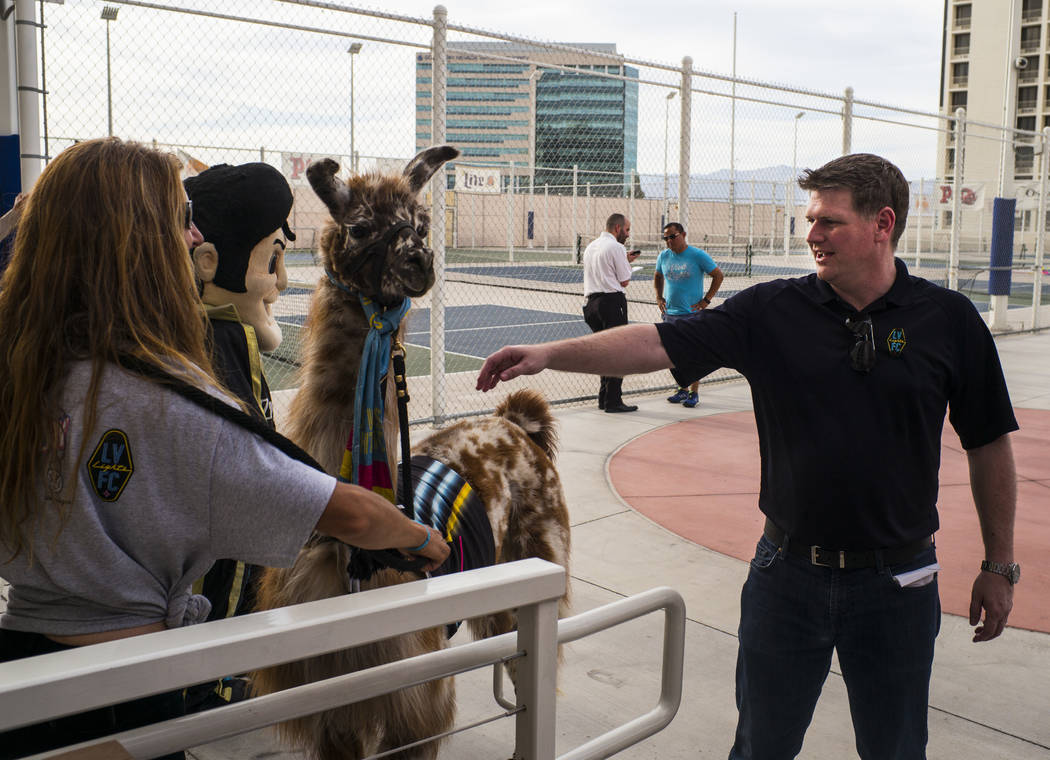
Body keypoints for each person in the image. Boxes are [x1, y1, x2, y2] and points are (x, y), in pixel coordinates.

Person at [477, 153, 1018, 760]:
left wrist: (1000, 565)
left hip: (899, 583)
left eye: (829, 222)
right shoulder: (771, 312)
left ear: (882, 223)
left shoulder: (948, 321)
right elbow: (656, 342)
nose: (811, 235)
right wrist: (551, 353)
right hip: (786, 579)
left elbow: (989, 442)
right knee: (760, 746)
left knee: (895, 749)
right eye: (809, 219)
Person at [0, 138, 449, 757]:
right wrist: (423, 541)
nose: (192, 238)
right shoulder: (173, 403)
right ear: (140, 245)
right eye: (180, 220)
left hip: (18, 673)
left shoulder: (22, 372)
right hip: (122, 690)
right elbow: (343, 512)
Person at [182, 162, 297, 711]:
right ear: (208, 262)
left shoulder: (197, 333)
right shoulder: (225, 338)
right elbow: (251, 463)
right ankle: (216, 679)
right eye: (272, 258)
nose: (284, 280)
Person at [654, 222, 724, 408]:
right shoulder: (664, 256)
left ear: (683, 234)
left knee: (693, 354)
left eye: (672, 236)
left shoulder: (697, 255)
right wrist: (659, 297)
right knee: (673, 355)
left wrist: (706, 300)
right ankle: (682, 389)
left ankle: (694, 392)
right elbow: (658, 276)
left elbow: (718, 275)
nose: (669, 241)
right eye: (666, 238)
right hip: (670, 315)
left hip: (691, 315)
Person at [581, 212, 641, 413]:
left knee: (604, 351)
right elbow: (624, 280)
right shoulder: (616, 247)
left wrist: (623, 260)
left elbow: (603, 271)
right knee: (618, 351)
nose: (628, 234)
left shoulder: (591, 246)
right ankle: (613, 400)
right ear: (618, 228)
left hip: (591, 304)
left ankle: (604, 398)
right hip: (611, 302)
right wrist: (626, 263)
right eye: (627, 229)